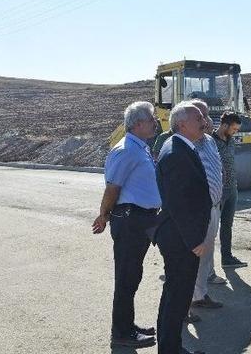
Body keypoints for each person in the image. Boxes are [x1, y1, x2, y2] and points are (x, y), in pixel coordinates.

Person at [92, 101, 160, 349]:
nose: (155, 123)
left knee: (133, 276)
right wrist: (103, 215)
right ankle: (121, 333)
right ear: (138, 123)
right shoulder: (126, 150)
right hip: (130, 220)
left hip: (140, 219)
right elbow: (113, 187)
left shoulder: (139, 147)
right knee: (126, 277)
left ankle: (127, 325)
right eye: (152, 119)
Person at [153, 101, 210, 354]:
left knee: (175, 295)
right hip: (180, 238)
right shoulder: (176, 152)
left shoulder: (181, 146)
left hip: (179, 235)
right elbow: (178, 204)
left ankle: (170, 347)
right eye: (198, 118)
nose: (204, 122)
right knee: (177, 296)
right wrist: (194, 240)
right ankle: (170, 349)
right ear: (182, 124)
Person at [188, 100, 226, 311]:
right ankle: (186, 301)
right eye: (200, 116)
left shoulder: (210, 141)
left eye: (206, 115)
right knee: (193, 256)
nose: (206, 120)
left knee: (205, 255)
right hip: (197, 212)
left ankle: (199, 294)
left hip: (213, 207)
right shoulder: (186, 144)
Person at [213, 111, 248, 268]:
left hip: (232, 188)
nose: (235, 132)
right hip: (217, 190)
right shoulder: (210, 141)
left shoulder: (231, 141)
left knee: (227, 225)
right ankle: (205, 263)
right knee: (211, 226)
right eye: (234, 129)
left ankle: (226, 258)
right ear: (225, 125)